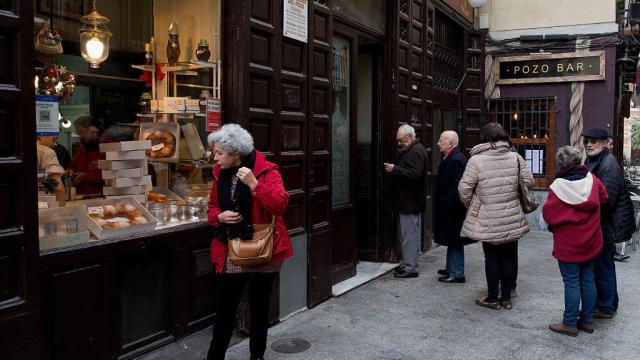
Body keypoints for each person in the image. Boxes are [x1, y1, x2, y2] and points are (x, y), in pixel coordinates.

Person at [206, 124, 293, 360]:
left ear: (236, 153)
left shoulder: (266, 171)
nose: (215, 158)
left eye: (219, 153)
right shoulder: (219, 173)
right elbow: (212, 206)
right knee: (225, 310)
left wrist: (255, 184)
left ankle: (257, 356)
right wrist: (219, 217)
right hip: (230, 248)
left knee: (259, 308)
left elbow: (280, 205)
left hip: (263, 249)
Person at [458, 123, 534, 310]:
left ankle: (492, 297)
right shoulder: (515, 157)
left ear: (484, 138)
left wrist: (475, 205)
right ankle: (506, 298)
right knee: (508, 257)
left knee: (491, 258)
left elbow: (464, 189)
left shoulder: (476, 161)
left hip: (488, 217)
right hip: (511, 216)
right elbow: (529, 182)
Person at [543, 146, 608, 337]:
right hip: (592, 240)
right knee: (588, 279)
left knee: (571, 282)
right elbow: (604, 198)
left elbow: (549, 214)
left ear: (560, 164)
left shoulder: (557, 187)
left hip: (568, 244)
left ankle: (569, 323)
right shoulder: (593, 180)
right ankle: (587, 321)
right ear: (579, 161)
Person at [582, 128, 636, 319]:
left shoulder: (608, 164)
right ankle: (607, 304)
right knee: (603, 266)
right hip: (603, 223)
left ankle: (605, 307)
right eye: (587, 141)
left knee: (603, 266)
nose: (589, 144)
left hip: (607, 224)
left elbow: (606, 199)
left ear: (605, 143)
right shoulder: (596, 160)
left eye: (594, 141)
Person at [384, 124, 428, 278]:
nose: (399, 143)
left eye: (401, 140)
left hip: (409, 202)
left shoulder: (415, 151)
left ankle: (410, 268)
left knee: (409, 235)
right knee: (410, 235)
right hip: (410, 201)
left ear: (409, 137)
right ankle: (410, 264)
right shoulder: (415, 149)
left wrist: (394, 169)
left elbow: (414, 175)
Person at [434, 130, 469, 283]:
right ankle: (450, 268)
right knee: (451, 239)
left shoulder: (457, 159)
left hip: (454, 209)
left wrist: (447, 202)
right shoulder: (451, 157)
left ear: (450, 143)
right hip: (450, 208)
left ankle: (457, 272)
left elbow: (458, 186)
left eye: (441, 140)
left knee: (455, 240)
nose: (438, 143)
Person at [67, 116, 105, 195]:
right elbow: (72, 166)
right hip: (81, 196)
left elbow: (113, 175)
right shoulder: (81, 149)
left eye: (81, 132)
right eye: (78, 133)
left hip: (100, 197)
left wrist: (85, 176)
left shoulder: (108, 147)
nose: (79, 136)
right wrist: (70, 172)